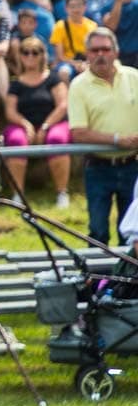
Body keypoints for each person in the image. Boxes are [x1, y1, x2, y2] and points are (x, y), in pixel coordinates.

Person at [68, 27, 138, 245]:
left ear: (115, 52)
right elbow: (78, 133)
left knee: (131, 234)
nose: (100, 55)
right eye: (94, 50)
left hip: (132, 166)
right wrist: (117, 140)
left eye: (105, 49)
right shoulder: (78, 86)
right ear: (87, 54)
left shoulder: (134, 77)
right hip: (98, 168)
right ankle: (99, 280)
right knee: (98, 232)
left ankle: (127, 279)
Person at [3, 36, 72, 204]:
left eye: (35, 52)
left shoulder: (53, 79)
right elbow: (10, 112)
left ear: (42, 55)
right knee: (15, 140)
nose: (30, 56)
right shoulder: (16, 84)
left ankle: (62, 193)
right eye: (25, 53)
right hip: (24, 125)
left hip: (54, 123)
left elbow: (63, 105)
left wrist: (46, 126)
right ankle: (17, 194)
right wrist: (25, 125)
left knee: (56, 139)